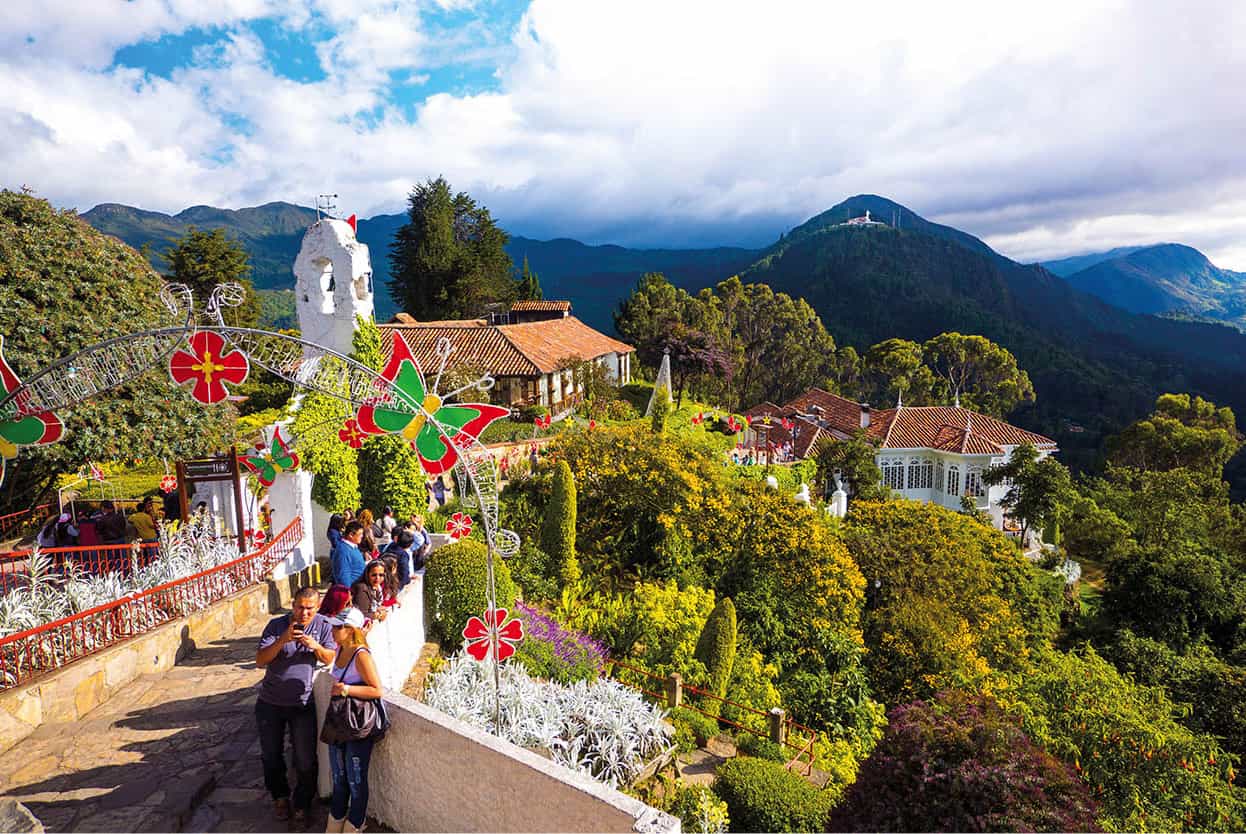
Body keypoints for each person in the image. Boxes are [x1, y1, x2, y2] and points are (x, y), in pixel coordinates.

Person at [255, 587, 336, 828]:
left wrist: (314, 646)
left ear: (318, 607)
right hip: (270, 702)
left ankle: (302, 804)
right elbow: (260, 660)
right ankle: (280, 797)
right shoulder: (276, 626)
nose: (304, 613)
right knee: (271, 756)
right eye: (300, 607)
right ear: (293, 605)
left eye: (310, 608)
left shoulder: (323, 625)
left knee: (305, 760)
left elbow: (329, 657)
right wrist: (283, 640)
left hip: (302, 703)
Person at [325, 607, 383, 834]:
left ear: (350, 631)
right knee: (339, 778)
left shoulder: (361, 655)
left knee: (356, 783)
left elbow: (377, 690)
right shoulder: (340, 650)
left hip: (357, 725)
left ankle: (354, 826)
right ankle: (334, 826)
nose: (333, 630)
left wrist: (347, 689)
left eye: (339, 627)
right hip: (339, 723)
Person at [331, 521, 367, 588]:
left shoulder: (352, 547)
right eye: (360, 534)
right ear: (351, 535)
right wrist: (347, 593)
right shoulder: (343, 550)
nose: (362, 536)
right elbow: (343, 575)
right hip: (352, 590)